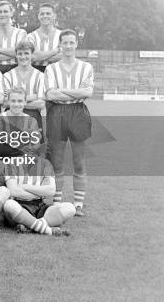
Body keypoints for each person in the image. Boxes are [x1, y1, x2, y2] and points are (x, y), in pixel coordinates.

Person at [45, 29, 94, 216]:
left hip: (78, 113)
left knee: (79, 161)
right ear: (60, 45)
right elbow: (50, 94)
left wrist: (62, 91)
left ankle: (78, 205)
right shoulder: (51, 68)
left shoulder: (86, 67)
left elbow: (87, 93)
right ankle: (57, 203)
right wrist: (76, 91)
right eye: (65, 43)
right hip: (56, 113)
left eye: (71, 42)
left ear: (76, 44)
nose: (68, 46)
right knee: (57, 161)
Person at [3, 141, 75, 236]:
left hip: (39, 205)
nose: (29, 147)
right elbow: (13, 191)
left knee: (70, 208)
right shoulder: (11, 164)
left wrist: (25, 186)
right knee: (9, 205)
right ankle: (46, 228)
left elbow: (51, 191)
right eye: (26, 143)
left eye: (33, 143)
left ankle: (31, 226)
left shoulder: (45, 164)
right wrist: (40, 192)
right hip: (19, 205)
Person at [3, 40, 45, 143]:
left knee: (33, 153)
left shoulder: (40, 76)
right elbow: (4, 102)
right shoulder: (7, 76)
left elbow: (41, 104)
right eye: (20, 54)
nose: (23, 57)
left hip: (33, 117)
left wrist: (15, 101)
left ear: (32, 55)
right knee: (10, 153)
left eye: (26, 53)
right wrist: (34, 96)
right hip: (11, 118)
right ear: (16, 55)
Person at [0, 87, 41, 158]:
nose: (16, 104)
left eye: (20, 101)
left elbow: (35, 145)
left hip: (25, 160)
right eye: (13, 101)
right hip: (4, 160)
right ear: (8, 101)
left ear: (25, 102)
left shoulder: (31, 121)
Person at [0, 0, 27, 73]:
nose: (2, 14)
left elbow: (22, 53)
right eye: (0, 12)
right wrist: (14, 53)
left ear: (11, 13)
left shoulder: (21, 33)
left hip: (16, 72)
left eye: (5, 11)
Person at [26, 2, 62, 72]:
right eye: (42, 14)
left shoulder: (62, 35)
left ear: (54, 16)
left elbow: (64, 56)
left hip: (57, 72)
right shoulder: (31, 36)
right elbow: (32, 57)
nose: (45, 16)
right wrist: (55, 51)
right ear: (38, 16)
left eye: (48, 13)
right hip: (36, 72)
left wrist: (40, 56)